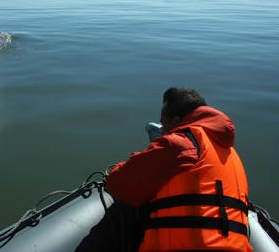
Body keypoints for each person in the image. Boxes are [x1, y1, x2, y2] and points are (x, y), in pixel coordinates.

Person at [106, 87, 252, 252]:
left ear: (175, 121)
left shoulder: (179, 143)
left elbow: (118, 184)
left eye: (163, 123)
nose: (162, 129)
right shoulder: (230, 152)